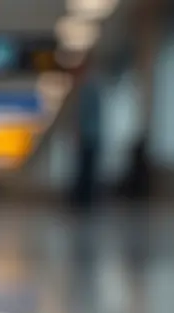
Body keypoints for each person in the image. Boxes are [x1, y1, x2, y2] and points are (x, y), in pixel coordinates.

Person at [71, 60, 104, 211]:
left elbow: (83, 117)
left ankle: (84, 201)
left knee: (86, 170)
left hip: (88, 137)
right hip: (92, 136)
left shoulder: (87, 90)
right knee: (87, 169)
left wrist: (79, 133)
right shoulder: (93, 89)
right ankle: (86, 200)